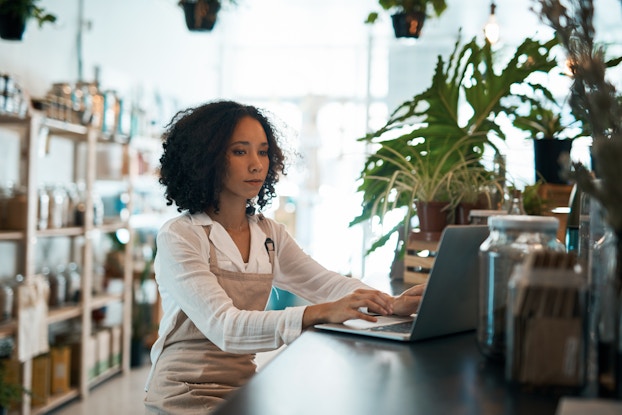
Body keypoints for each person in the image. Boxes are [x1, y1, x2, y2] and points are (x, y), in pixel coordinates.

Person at [143, 100, 425, 413]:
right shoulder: (180, 236)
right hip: (183, 395)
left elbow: (324, 283)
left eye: (262, 151)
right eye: (240, 151)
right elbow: (226, 327)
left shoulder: (268, 234)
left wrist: (389, 303)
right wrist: (318, 313)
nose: (256, 164)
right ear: (205, 159)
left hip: (242, 389)